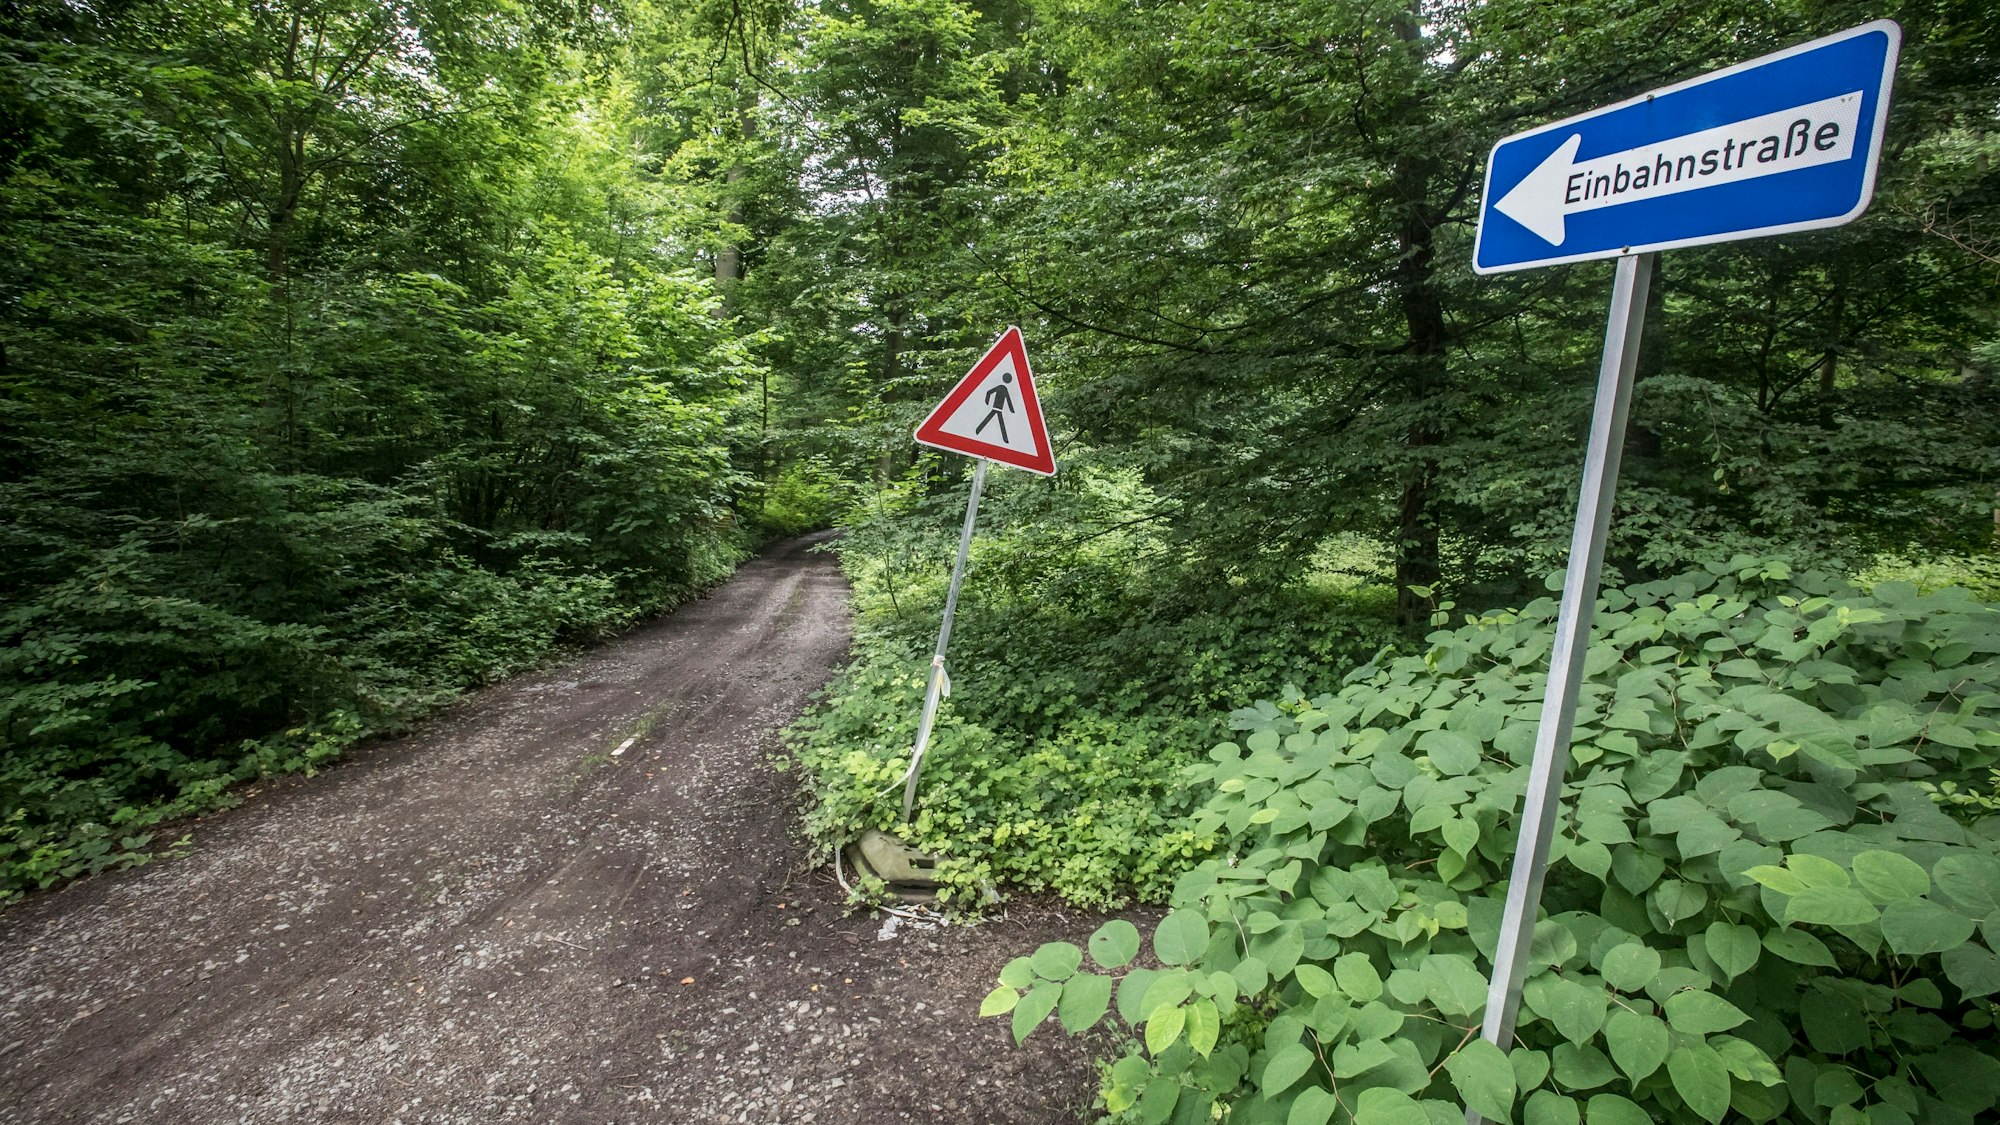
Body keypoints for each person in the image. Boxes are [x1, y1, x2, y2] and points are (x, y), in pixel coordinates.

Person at [975, 371, 1015, 445]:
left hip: (997, 408)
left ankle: (978, 430)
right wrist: (1012, 410)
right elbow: (1008, 400)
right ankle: (1005, 439)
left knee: (997, 420)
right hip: (998, 408)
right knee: (999, 422)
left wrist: (987, 401)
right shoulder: (1003, 388)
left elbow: (989, 392)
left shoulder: (1001, 387)